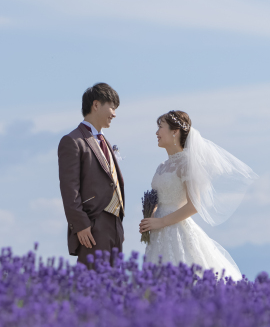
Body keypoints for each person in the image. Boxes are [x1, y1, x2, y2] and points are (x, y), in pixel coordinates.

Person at [139, 110, 256, 280]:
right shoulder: (161, 166)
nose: (156, 133)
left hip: (176, 230)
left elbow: (194, 205)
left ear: (174, 131)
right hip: (157, 233)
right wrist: (150, 218)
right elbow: (156, 198)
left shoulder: (186, 163)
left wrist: (162, 222)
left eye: (160, 127)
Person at [58, 83, 125, 266]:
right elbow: (69, 188)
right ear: (96, 105)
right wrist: (81, 225)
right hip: (92, 227)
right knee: (92, 287)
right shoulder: (72, 141)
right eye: (112, 107)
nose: (114, 114)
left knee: (115, 288)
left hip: (115, 225)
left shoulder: (105, 142)